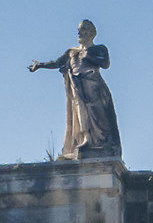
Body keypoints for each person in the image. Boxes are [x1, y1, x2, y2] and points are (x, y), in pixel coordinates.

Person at [30, 19, 121, 161]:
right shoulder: (72, 52)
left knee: (97, 115)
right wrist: (40, 65)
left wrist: (88, 55)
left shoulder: (99, 49)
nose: (80, 32)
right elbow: (57, 62)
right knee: (80, 112)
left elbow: (105, 63)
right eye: (79, 29)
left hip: (94, 85)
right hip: (77, 86)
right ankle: (85, 138)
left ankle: (101, 141)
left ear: (91, 33)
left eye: (83, 29)